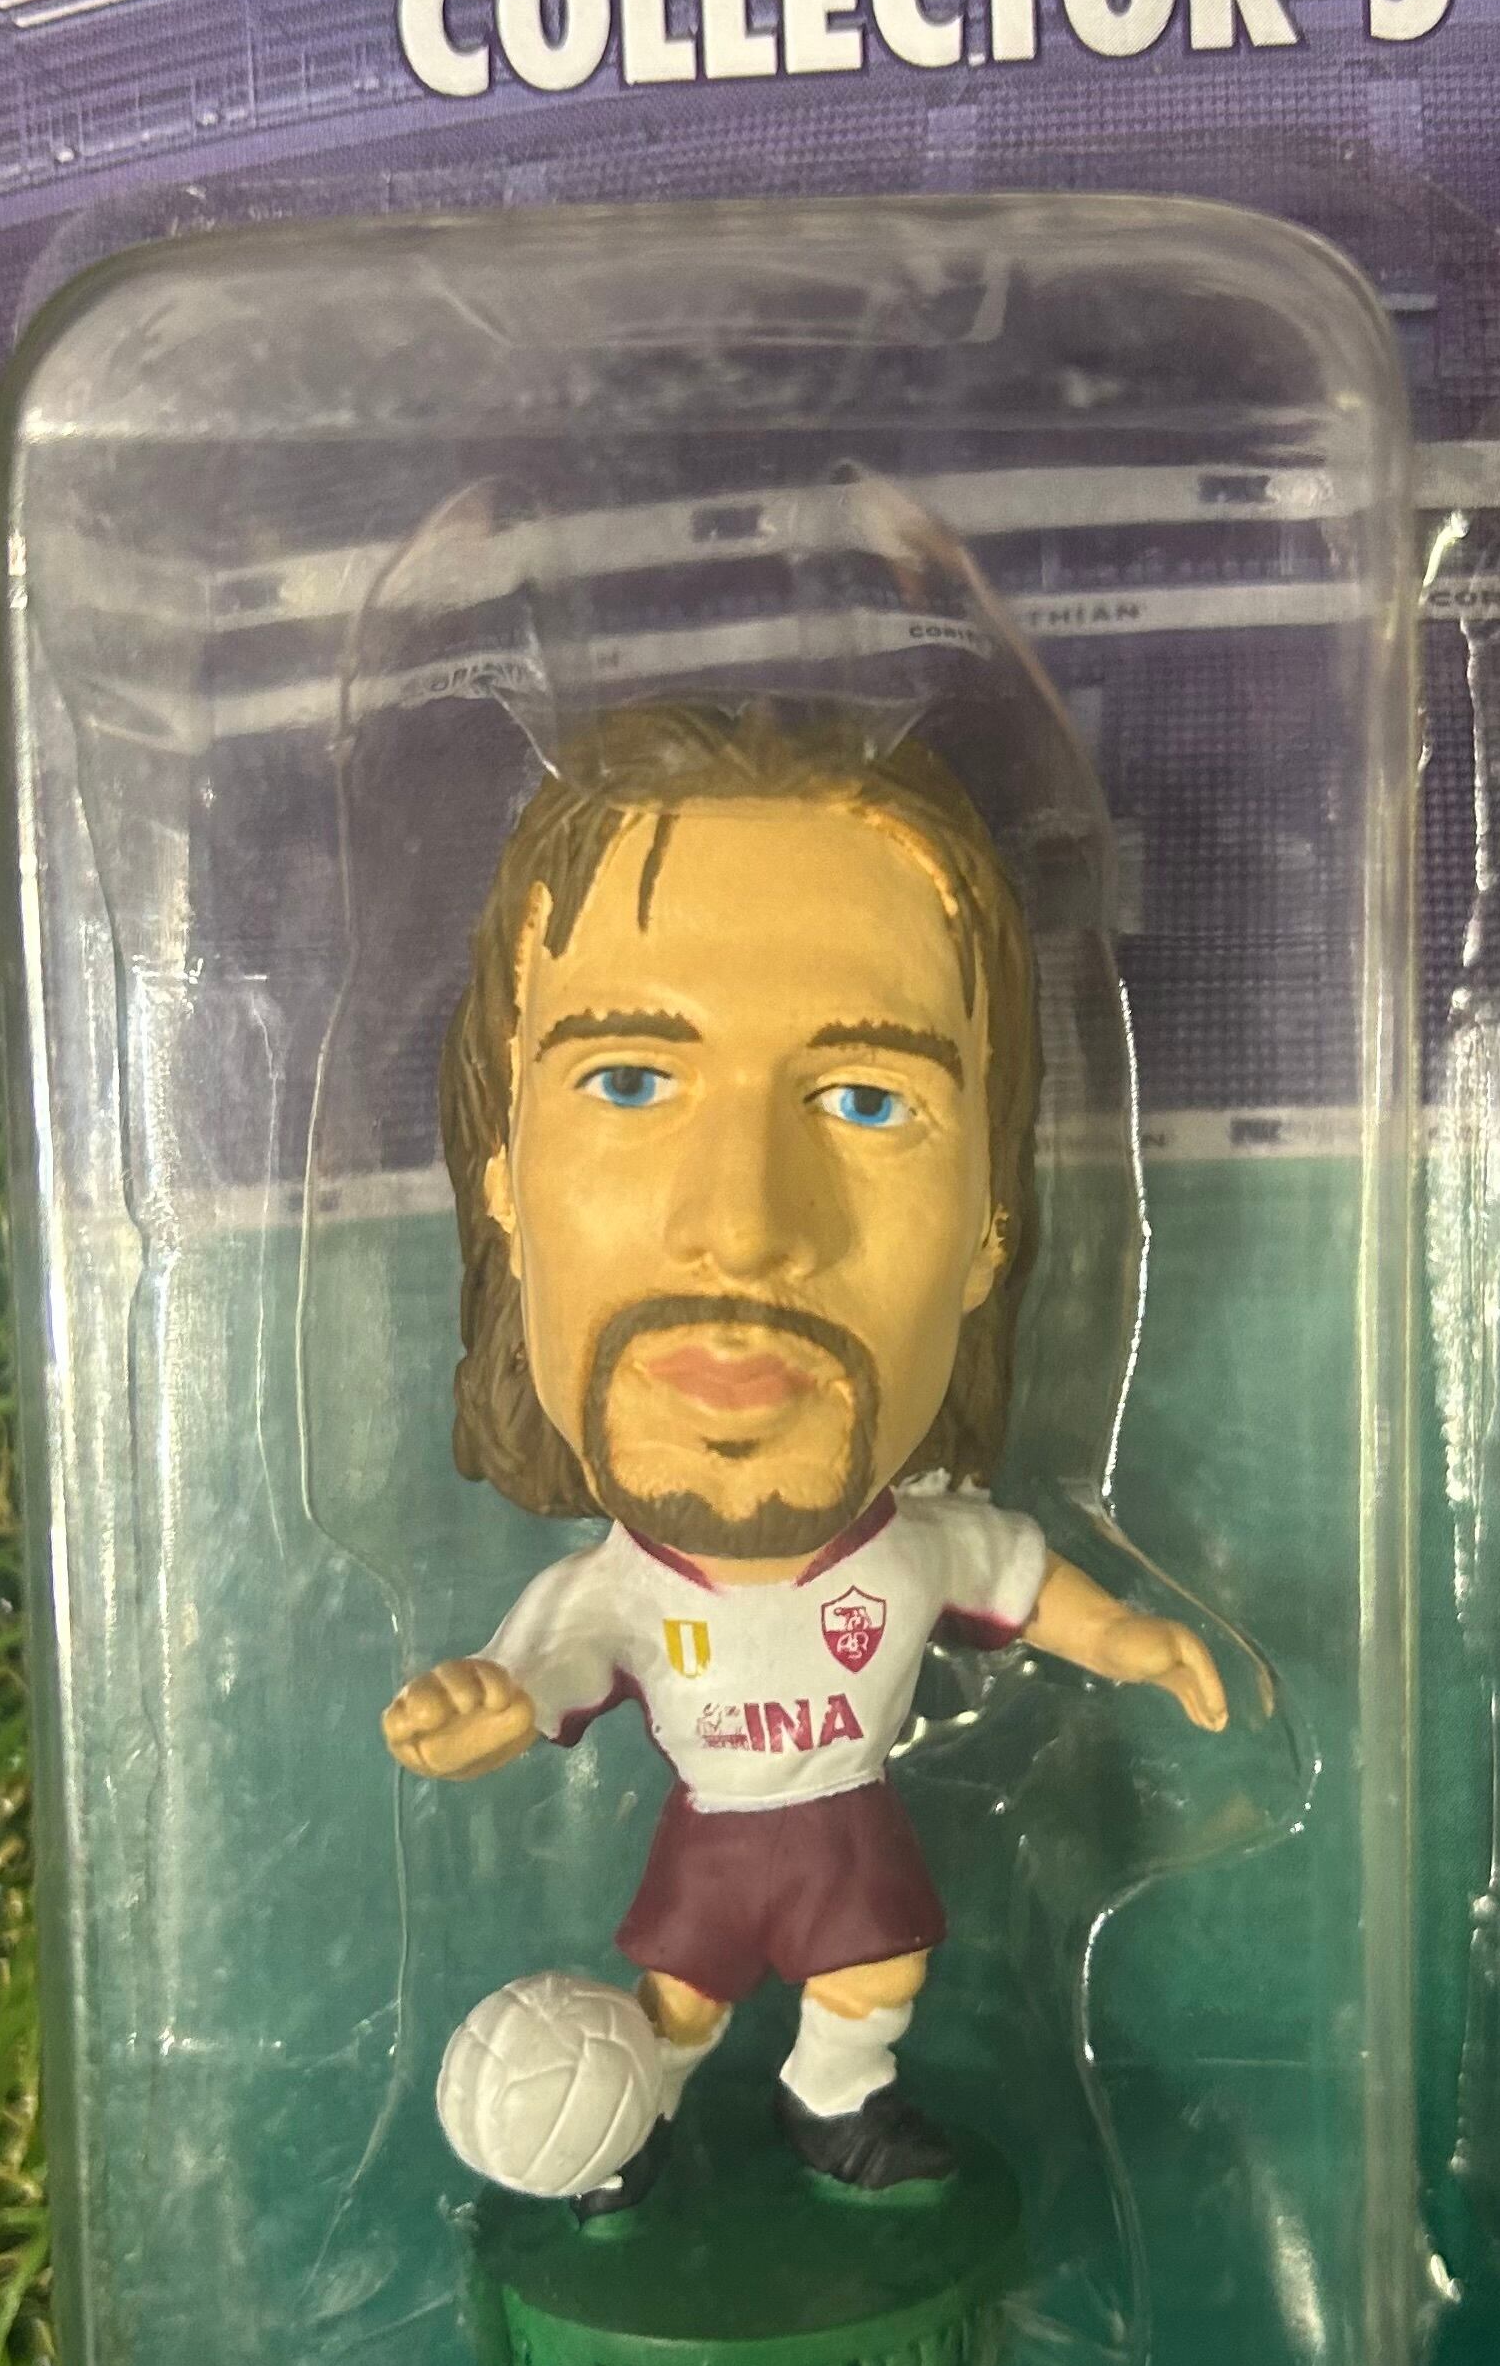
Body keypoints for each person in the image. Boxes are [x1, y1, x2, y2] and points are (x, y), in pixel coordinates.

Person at [384, 703, 1225, 2207]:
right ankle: (629, 2115)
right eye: (629, 1079)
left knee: (875, 1971)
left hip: (843, 1826)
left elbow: (1031, 1588)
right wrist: (490, 1708)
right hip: (719, 1834)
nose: (746, 1223)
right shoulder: (622, 1586)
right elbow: (550, 1667)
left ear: (991, 1229)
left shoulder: (919, 1544)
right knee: (682, 1998)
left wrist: (1138, 1640)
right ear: (501, 1175)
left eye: (866, 1100)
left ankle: (835, 2101)